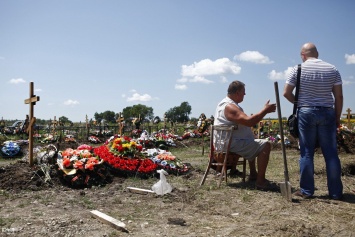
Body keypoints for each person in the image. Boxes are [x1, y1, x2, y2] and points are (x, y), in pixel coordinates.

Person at [283, 42, 343, 200]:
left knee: (307, 152)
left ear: (303, 55)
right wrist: (337, 117)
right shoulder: (332, 68)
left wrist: (299, 103)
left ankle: (307, 191)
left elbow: (286, 92)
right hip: (327, 111)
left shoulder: (298, 69)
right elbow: (339, 96)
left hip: (306, 111)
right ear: (317, 53)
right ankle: (335, 192)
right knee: (330, 154)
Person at [214, 80, 276, 189]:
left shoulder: (224, 104)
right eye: (243, 92)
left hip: (227, 141)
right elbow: (249, 121)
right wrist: (265, 111)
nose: (245, 94)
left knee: (252, 140)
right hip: (229, 144)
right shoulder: (230, 107)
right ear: (237, 93)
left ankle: (253, 174)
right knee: (265, 145)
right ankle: (260, 181)